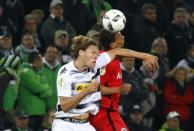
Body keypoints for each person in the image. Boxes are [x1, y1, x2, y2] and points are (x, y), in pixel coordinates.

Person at [52, 35, 158, 131]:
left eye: (98, 54)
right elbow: (64, 106)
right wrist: (86, 91)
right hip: (65, 124)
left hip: (84, 125)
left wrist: (145, 56)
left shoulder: (95, 64)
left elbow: (116, 51)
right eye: (93, 53)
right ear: (81, 52)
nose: (97, 57)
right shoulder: (66, 72)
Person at [89, 30, 130, 131]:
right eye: (119, 36)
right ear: (112, 44)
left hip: (109, 110)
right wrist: (119, 89)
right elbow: (95, 88)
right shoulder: (106, 61)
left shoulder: (112, 58)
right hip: (104, 111)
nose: (123, 36)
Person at [17, 52, 52, 131]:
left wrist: (42, 92)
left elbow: (50, 91)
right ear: (36, 60)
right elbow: (37, 88)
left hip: (40, 112)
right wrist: (43, 91)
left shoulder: (39, 73)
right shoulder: (25, 72)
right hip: (29, 112)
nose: (42, 63)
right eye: (41, 60)